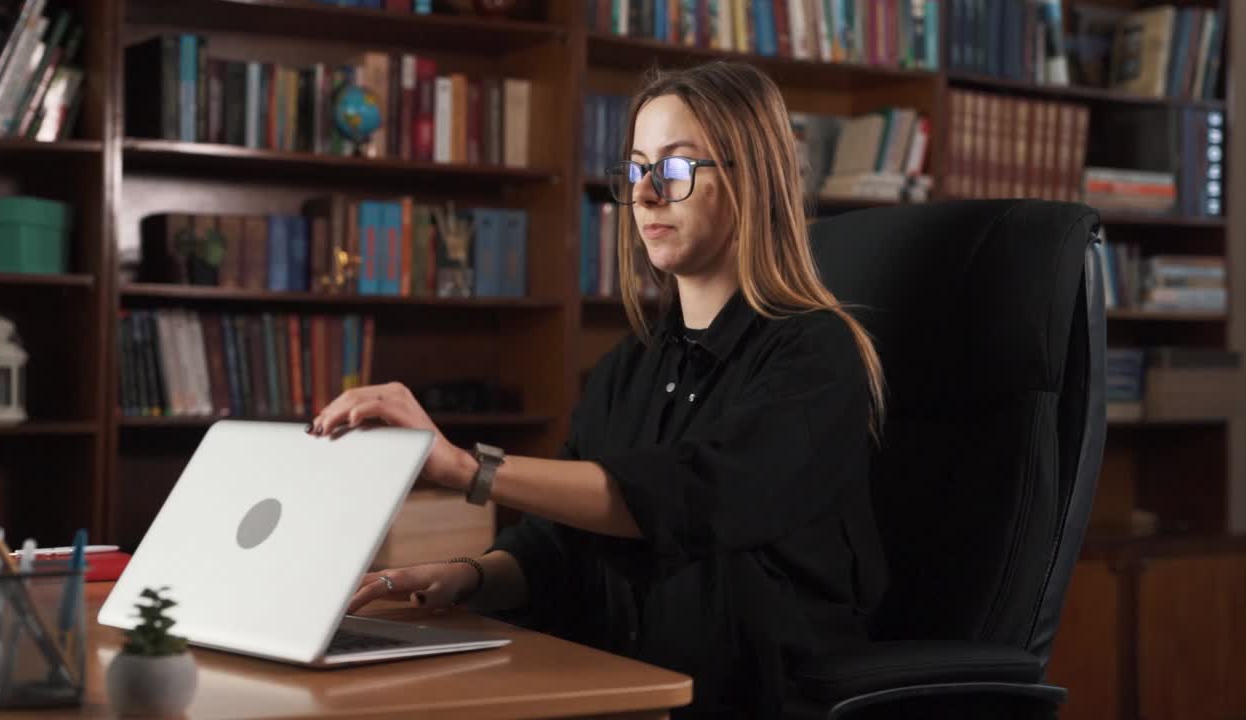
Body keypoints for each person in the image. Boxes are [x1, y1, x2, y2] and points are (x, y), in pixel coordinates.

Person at [309, 60, 889, 718]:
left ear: (752, 179)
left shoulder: (816, 354)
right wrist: (466, 575)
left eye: (674, 169)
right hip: (621, 693)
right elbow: (563, 543)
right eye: (638, 169)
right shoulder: (628, 366)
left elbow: (697, 496)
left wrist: (470, 470)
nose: (644, 195)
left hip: (752, 701)